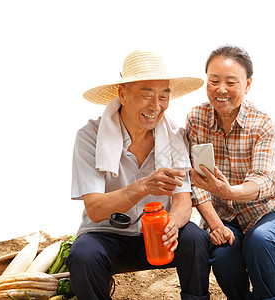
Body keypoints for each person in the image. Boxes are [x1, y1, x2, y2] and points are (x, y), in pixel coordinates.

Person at [67, 50, 211, 300]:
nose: (156, 106)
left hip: (159, 234)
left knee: (196, 239)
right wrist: (143, 186)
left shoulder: (174, 137)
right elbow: (95, 209)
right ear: (122, 94)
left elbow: (182, 201)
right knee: (82, 255)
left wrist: (172, 225)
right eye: (146, 94)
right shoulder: (90, 136)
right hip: (108, 237)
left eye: (164, 95)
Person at [186, 45, 275, 300]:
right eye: (214, 81)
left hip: (268, 212)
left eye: (230, 82)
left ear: (247, 85)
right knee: (223, 255)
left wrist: (229, 191)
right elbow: (196, 182)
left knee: (260, 242)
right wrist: (214, 224)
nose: (220, 89)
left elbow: (262, 179)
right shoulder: (196, 118)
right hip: (224, 218)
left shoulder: (263, 125)